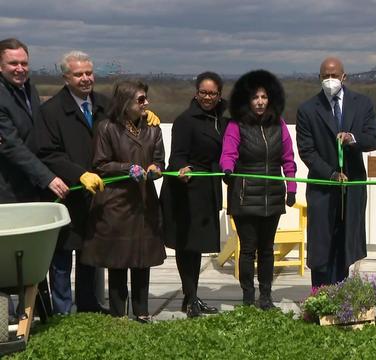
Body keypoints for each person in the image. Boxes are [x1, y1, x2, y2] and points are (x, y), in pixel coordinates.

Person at [81, 80, 166, 323]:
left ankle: (142, 312)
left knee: (142, 260)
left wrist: (155, 168)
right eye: (141, 100)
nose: (146, 103)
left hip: (144, 202)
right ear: (125, 102)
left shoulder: (153, 129)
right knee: (117, 260)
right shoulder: (106, 128)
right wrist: (126, 168)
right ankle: (118, 314)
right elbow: (99, 164)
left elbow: (159, 159)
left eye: (146, 98)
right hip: (116, 204)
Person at [296, 57, 376, 287]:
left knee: (346, 244)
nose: (330, 80)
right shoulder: (307, 109)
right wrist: (331, 174)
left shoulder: (362, 103)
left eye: (334, 76)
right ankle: (320, 293)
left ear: (344, 77)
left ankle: (342, 292)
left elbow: (374, 139)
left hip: (352, 187)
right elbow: (307, 151)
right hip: (323, 187)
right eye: (325, 76)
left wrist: (353, 139)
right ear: (319, 78)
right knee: (322, 244)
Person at [37, 50, 110, 315]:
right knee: (62, 255)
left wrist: (143, 116)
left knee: (90, 253)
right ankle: (63, 310)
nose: (85, 78)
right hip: (67, 192)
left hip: (97, 194)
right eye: (78, 74)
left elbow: (123, 128)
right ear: (66, 77)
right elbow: (47, 152)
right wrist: (78, 173)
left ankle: (89, 305)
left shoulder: (105, 104)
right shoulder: (51, 111)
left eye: (89, 73)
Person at [220, 69, 297, 309]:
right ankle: (247, 297)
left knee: (266, 250)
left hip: (272, 196)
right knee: (247, 250)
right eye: (255, 97)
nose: (260, 102)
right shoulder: (237, 125)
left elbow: (288, 159)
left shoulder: (280, 125)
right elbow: (228, 153)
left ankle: (265, 296)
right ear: (248, 100)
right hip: (245, 196)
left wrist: (291, 187)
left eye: (264, 97)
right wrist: (228, 170)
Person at [160, 71, 227, 317]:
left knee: (197, 248)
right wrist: (180, 169)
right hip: (186, 190)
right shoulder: (185, 120)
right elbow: (177, 154)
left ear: (220, 95)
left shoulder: (222, 121)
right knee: (186, 246)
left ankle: (193, 296)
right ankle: (189, 299)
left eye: (212, 93)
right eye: (203, 92)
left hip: (207, 190)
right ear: (196, 93)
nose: (207, 97)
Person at [0, 38, 68, 203]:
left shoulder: (30, 89)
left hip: (33, 183)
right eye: (13, 63)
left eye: (24, 63)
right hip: (9, 188)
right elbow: (11, 145)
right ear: (0, 66)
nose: (20, 68)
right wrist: (47, 177)